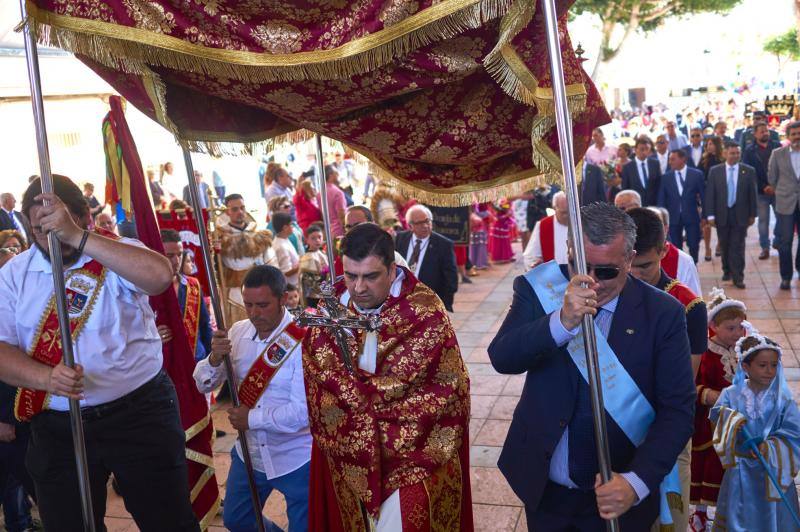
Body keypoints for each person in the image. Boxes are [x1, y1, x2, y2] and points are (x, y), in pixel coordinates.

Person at [0, 175, 198, 530]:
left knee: (169, 521)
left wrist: (77, 237)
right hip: (58, 425)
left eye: (58, 224)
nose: (50, 237)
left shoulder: (116, 251)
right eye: (40, 230)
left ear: (82, 216)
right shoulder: (15, 274)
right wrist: (47, 378)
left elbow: (158, 277)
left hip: (139, 415)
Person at [488, 202, 695, 530]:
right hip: (546, 489)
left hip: (620, 493)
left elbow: (678, 410)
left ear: (629, 259)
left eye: (607, 271)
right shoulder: (537, 288)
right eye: (581, 266)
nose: (593, 282)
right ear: (569, 249)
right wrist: (560, 322)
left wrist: (635, 483)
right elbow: (502, 357)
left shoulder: (664, 313)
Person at [303, 223, 472, 531]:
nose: (358, 288)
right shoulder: (331, 310)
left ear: (392, 270)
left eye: (371, 276)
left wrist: (360, 401)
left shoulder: (425, 313)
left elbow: (445, 389)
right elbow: (318, 377)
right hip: (347, 455)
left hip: (412, 457)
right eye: (350, 275)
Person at [194, 265, 310, 532]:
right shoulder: (237, 332)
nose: (254, 313)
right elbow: (202, 384)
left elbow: (302, 412)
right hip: (250, 453)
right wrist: (214, 358)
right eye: (248, 305)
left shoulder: (303, 339)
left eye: (263, 305)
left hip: (295, 455)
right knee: (236, 519)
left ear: (283, 299)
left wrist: (251, 418)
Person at [626, 207, 708, 532]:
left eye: (645, 265)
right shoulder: (607, 293)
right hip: (618, 428)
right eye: (628, 263)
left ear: (664, 250)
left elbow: (683, 385)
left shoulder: (689, 306)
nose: (635, 274)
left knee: (669, 518)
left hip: (666, 426)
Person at [709, 332, 800, 531]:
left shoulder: (782, 400)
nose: (769, 371)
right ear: (745, 367)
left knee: (775, 518)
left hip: (773, 471)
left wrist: (770, 447)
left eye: (774, 365)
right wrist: (731, 422)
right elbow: (717, 420)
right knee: (740, 517)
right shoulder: (730, 395)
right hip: (740, 472)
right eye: (762, 365)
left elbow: (794, 433)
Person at [689, 287, 746, 531]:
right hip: (709, 421)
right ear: (713, 326)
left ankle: (730, 508)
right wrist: (712, 395)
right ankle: (700, 512)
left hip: (735, 418)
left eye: (740, 327)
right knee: (707, 464)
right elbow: (693, 385)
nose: (737, 333)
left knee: (731, 464)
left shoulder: (741, 350)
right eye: (730, 328)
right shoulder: (705, 353)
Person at [216, 193, 277, 324]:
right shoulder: (220, 238)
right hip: (234, 293)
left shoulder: (258, 235)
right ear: (227, 212)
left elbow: (271, 264)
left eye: (242, 208)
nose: (240, 212)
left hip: (260, 289)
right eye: (235, 209)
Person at [706, 142, 757, 289]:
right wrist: (710, 215)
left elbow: (752, 194)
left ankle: (738, 276)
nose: (735, 155)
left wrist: (753, 214)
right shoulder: (715, 171)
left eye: (737, 153)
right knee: (725, 244)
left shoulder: (748, 171)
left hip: (740, 214)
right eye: (732, 153)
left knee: (738, 246)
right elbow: (710, 194)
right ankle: (727, 270)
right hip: (721, 214)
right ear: (725, 154)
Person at [160, 229, 213, 363]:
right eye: (170, 255)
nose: (177, 261)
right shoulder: (147, 289)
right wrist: (153, 336)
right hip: (166, 361)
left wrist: (212, 360)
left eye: (180, 254)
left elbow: (205, 325)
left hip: (197, 358)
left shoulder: (193, 285)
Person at [395, 205, 459, 312]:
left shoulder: (444, 245)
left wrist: (441, 305)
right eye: (419, 223)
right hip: (401, 300)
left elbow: (451, 280)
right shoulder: (400, 239)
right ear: (410, 225)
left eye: (427, 221)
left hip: (430, 303)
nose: (425, 226)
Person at [657, 149, 705, 263]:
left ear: (683, 159)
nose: (670, 162)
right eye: (669, 159)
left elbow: (704, 196)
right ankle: (680, 267)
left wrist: (705, 216)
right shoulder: (666, 177)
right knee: (676, 246)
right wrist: (661, 218)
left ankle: (693, 265)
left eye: (673, 159)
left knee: (694, 244)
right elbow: (661, 199)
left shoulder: (696, 175)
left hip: (692, 216)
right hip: (673, 218)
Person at [768, 121, 800, 290]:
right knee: (785, 242)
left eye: (799, 133)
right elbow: (772, 178)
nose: (797, 137)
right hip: (785, 204)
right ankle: (786, 277)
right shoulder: (778, 154)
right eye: (793, 134)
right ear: (788, 137)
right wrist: (782, 191)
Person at [743, 122, 782, 260]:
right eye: (762, 131)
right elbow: (749, 173)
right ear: (755, 134)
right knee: (763, 221)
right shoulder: (749, 151)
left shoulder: (777, 146)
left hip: (778, 190)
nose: (765, 133)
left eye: (766, 131)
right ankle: (765, 247)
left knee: (782, 218)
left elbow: (784, 167)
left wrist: (775, 186)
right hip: (760, 192)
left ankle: (778, 240)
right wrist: (763, 187)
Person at [648, 207, 702, 296]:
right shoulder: (627, 256)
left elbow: (694, 299)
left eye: (655, 226)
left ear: (665, 229)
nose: (648, 231)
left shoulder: (684, 261)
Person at [523, 191, 569, 270]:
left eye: (569, 212)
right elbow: (530, 256)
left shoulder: (581, 223)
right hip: (553, 275)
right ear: (554, 208)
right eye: (563, 212)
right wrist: (536, 265)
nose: (566, 216)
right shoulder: (543, 225)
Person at [699, 136, 724, 261]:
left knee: (721, 222)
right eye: (707, 144)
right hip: (707, 195)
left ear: (717, 145)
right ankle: (707, 248)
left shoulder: (723, 159)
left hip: (721, 195)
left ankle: (719, 245)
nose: (708, 146)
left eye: (711, 144)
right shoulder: (704, 160)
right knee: (706, 222)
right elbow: (699, 176)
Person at [621, 136, 661, 206]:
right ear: (635, 150)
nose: (644, 152)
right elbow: (625, 190)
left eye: (647, 149)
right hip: (636, 205)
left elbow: (659, 185)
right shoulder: (627, 167)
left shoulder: (655, 164)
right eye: (642, 149)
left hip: (653, 205)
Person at [299, 223, 329, 308]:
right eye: (313, 238)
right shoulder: (307, 258)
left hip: (325, 294)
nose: (317, 240)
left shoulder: (322, 253)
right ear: (307, 240)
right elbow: (311, 283)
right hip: (314, 298)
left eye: (319, 237)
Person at [272, 212, 301, 286]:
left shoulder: (284, 239)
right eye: (291, 224)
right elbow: (287, 272)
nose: (293, 226)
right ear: (285, 228)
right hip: (291, 285)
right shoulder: (281, 246)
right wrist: (303, 264)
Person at [324, 166, 347, 238]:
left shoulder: (320, 193)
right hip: (339, 231)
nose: (338, 174)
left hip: (329, 231)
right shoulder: (337, 192)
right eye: (336, 173)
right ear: (331, 175)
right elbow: (342, 215)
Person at [469, 203, 491, 270]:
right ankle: (480, 263)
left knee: (477, 246)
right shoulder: (473, 213)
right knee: (479, 246)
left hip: (478, 228)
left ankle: (478, 262)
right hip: (477, 229)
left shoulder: (474, 212)